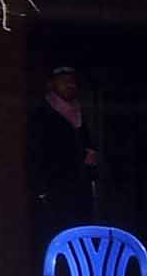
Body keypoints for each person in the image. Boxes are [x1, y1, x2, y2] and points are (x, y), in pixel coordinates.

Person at [27, 64, 98, 248]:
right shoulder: (42, 115)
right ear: (52, 84)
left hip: (80, 192)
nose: (69, 85)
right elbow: (38, 155)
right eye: (63, 80)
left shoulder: (78, 113)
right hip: (54, 195)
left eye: (72, 81)